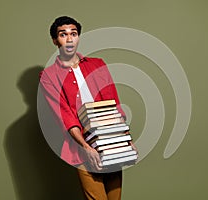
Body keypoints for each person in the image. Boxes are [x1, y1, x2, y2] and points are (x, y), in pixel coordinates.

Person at [39, 16, 134, 200]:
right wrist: (85, 147)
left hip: (112, 140)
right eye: (63, 34)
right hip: (81, 147)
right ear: (54, 40)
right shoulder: (48, 76)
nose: (69, 38)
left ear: (78, 37)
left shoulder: (98, 64)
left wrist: (125, 139)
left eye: (73, 34)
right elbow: (64, 115)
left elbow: (113, 102)